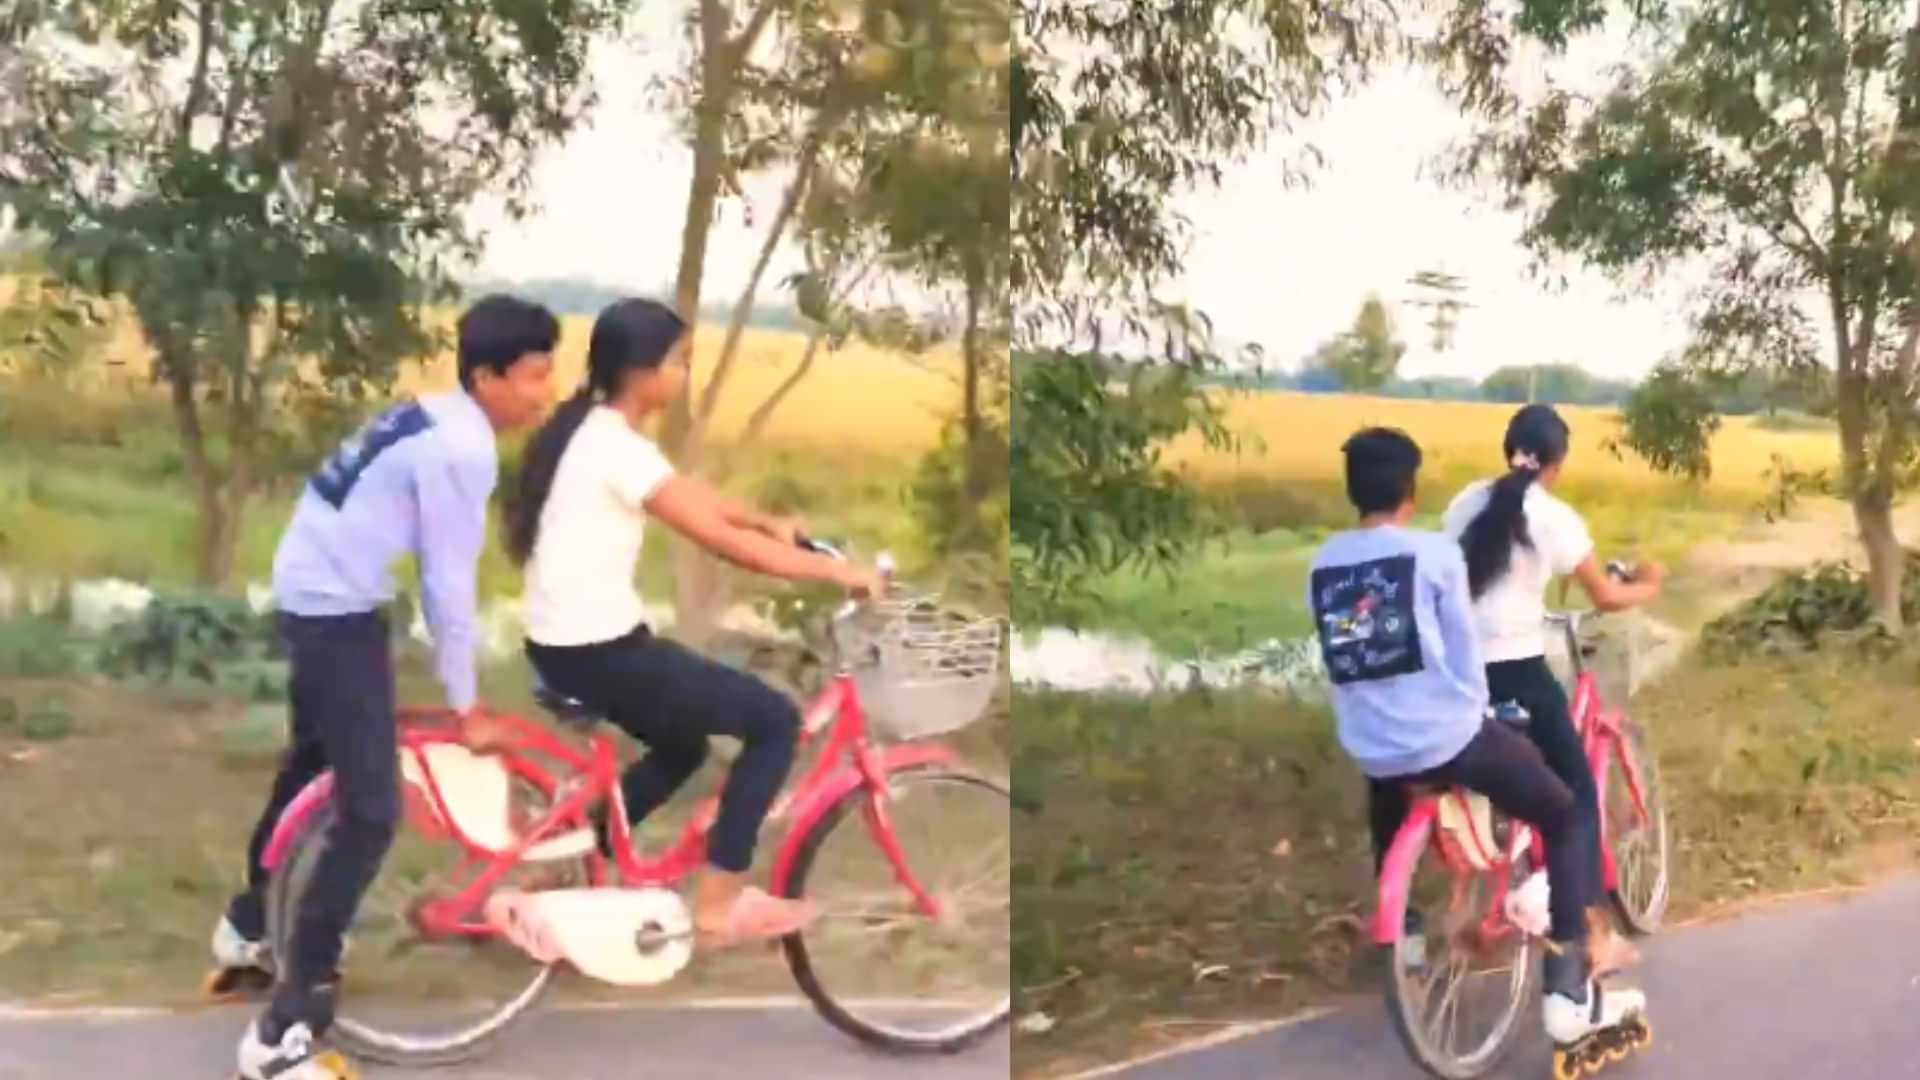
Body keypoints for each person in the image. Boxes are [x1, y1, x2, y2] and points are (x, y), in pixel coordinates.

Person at [215, 295, 561, 1080]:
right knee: (371, 811)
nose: (545, 391)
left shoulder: (435, 416)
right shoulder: (461, 451)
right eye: (536, 374)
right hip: (334, 610)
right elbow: (447, 584)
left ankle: (247, 930)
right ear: (488, 375)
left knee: (313, 767)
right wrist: (467, 703)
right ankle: (281, 1037)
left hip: (318, 592)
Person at [504, 297, 884, 946]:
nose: (684, 377)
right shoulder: (617, 449)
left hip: (569, 646)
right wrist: (837, 574)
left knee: (683, 745)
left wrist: (764, 521)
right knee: (775, 722)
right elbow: (717, 540)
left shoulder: (589, 429)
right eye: (679, 362)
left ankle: (570, 861)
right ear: (642, 372)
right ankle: (719, 903)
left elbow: (691, 497)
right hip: (600, 651)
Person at [1307, 427, 1647, 1057]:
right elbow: (1463, 660)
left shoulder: (1325, 561)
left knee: (1391, 783)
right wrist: (1479, 713)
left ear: (1354, 490)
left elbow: (1343, 659)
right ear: (1410, 488)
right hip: (1448, 739)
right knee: (1565, 809)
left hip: (1370, 744)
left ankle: (1403, 935)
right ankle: (1568, 991)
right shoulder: (1432, 556)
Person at [1442, 404, 1664, 975]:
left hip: (1459, 671)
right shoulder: (1552, 515)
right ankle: (1590, 938)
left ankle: (1481, 897)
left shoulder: (1467, 503)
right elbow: (1606, 598)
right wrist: (1649, 584)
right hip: (1516, 669)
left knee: (1499, 780)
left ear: (1509, 449)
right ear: (1557, 464)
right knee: (1575, 801)